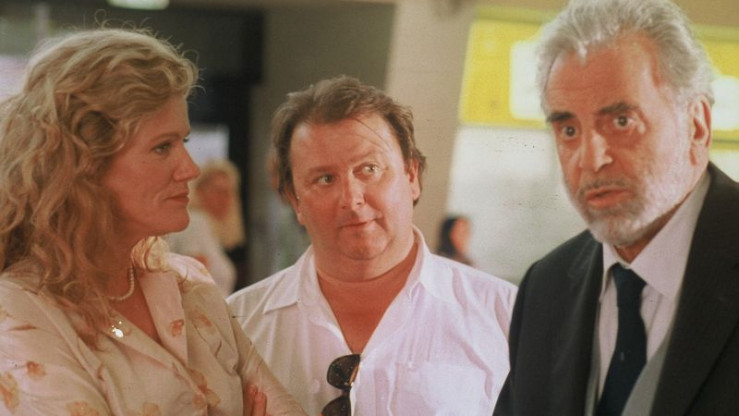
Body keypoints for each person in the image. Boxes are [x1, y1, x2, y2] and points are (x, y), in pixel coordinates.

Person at [0, 28, 305, 415]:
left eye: (184, 142)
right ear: (83, 167)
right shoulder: (18, 312)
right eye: (162, 147)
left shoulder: (189, 283)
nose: (190, 169)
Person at [494, 0, 739, 415]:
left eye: (622, 121)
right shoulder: (545, 288)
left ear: (696, 124)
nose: (591, 159)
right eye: (568, 129)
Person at [227, 75, 517, 416]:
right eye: (325, 179)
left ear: (412, 176)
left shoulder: (505, 315)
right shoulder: (238, 326)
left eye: (370, 169)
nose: (351, 198)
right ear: (295, 201)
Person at [168, 159, 243, 296]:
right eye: (217, 191)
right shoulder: (196, 223)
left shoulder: (207, 228)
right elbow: (193, 283)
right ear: (199, 191)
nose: (224, 199)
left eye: (228, 192)